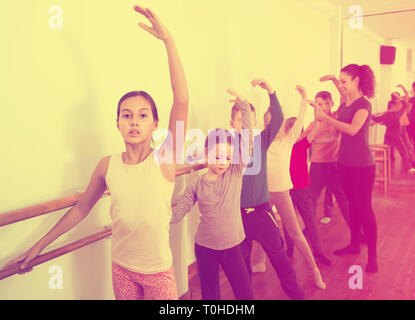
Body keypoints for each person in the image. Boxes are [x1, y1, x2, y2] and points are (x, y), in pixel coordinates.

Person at [1, 5, 189, 300]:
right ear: (117, 124)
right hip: (122, 269)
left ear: (155, 124)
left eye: (142, 115)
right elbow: (80, 209)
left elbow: (182, 99)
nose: (134, 121)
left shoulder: (165, 159)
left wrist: (168, 41)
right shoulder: (107, 166)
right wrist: (37, 247)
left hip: (158, 273)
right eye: (126, 115)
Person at [170, 89, 254, 300]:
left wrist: (243, 105)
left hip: (234, 245)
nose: (222, 162)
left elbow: (248, 141)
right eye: (217, 156)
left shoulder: (234, 171)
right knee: (210, 295)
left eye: (227, 157)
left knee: (244, 294)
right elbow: (178, 211)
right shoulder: (197, 184)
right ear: (206, 154)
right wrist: (154, 217)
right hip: (205, 248)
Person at [231, 78, 305, 300]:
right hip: (237, 216)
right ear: (232, 123)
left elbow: (279, 118)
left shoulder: (262, 139)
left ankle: (298, 297)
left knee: (280, 259)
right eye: (239, 119)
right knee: (242, 269)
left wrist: (271, 91)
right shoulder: (226, 145)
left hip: (262, 212)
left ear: (255, 122)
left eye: (248, 119)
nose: (244, 123)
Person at [315, 64, 378, 273]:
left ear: (356, 81)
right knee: (352, 205)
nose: (341, 85)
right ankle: (353, 245)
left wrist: (326, 118)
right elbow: (343, 101)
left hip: (362, 166)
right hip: (343, 163)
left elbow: (351, 129)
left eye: (344, 81)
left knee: (365, 208)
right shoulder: (346, 102)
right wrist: (334, 80)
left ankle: (372, 257)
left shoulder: (364, 105)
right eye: (340, 81)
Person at [266, 85, 326, 290]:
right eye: (269, 125)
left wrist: (304, 98)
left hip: (286, 192)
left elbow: (301, 120)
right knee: (259, 229)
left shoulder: (289, 142)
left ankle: (314, 269)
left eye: (277, 125)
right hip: (264, 195)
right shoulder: (262, 144)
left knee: (296, 232)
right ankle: (256, 262)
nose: (274, 129)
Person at [305, 88, 350, 228]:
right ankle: (309, 228)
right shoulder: (312, 125)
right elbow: (302, 142)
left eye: (326, 103)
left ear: (332, 104)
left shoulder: (336, 118)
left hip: (333, 165)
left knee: (343, 199)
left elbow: (346, 98)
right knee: (312, 199)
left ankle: (356, 231)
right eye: (319, 104)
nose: (323, 107)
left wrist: (333, 80)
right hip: (317, 166)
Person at [372, 99, 415, 173]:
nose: (398, 106)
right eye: (396, 105)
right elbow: (405, 104)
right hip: (395, 135)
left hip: (388, 134)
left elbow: (375, 118)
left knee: (386, 151)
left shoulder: (388, 115)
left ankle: (382, 168)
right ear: (393, 107)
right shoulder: (397, 113)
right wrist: (400, 99)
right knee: (403, 151)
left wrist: (376, 116)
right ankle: (408, 168)